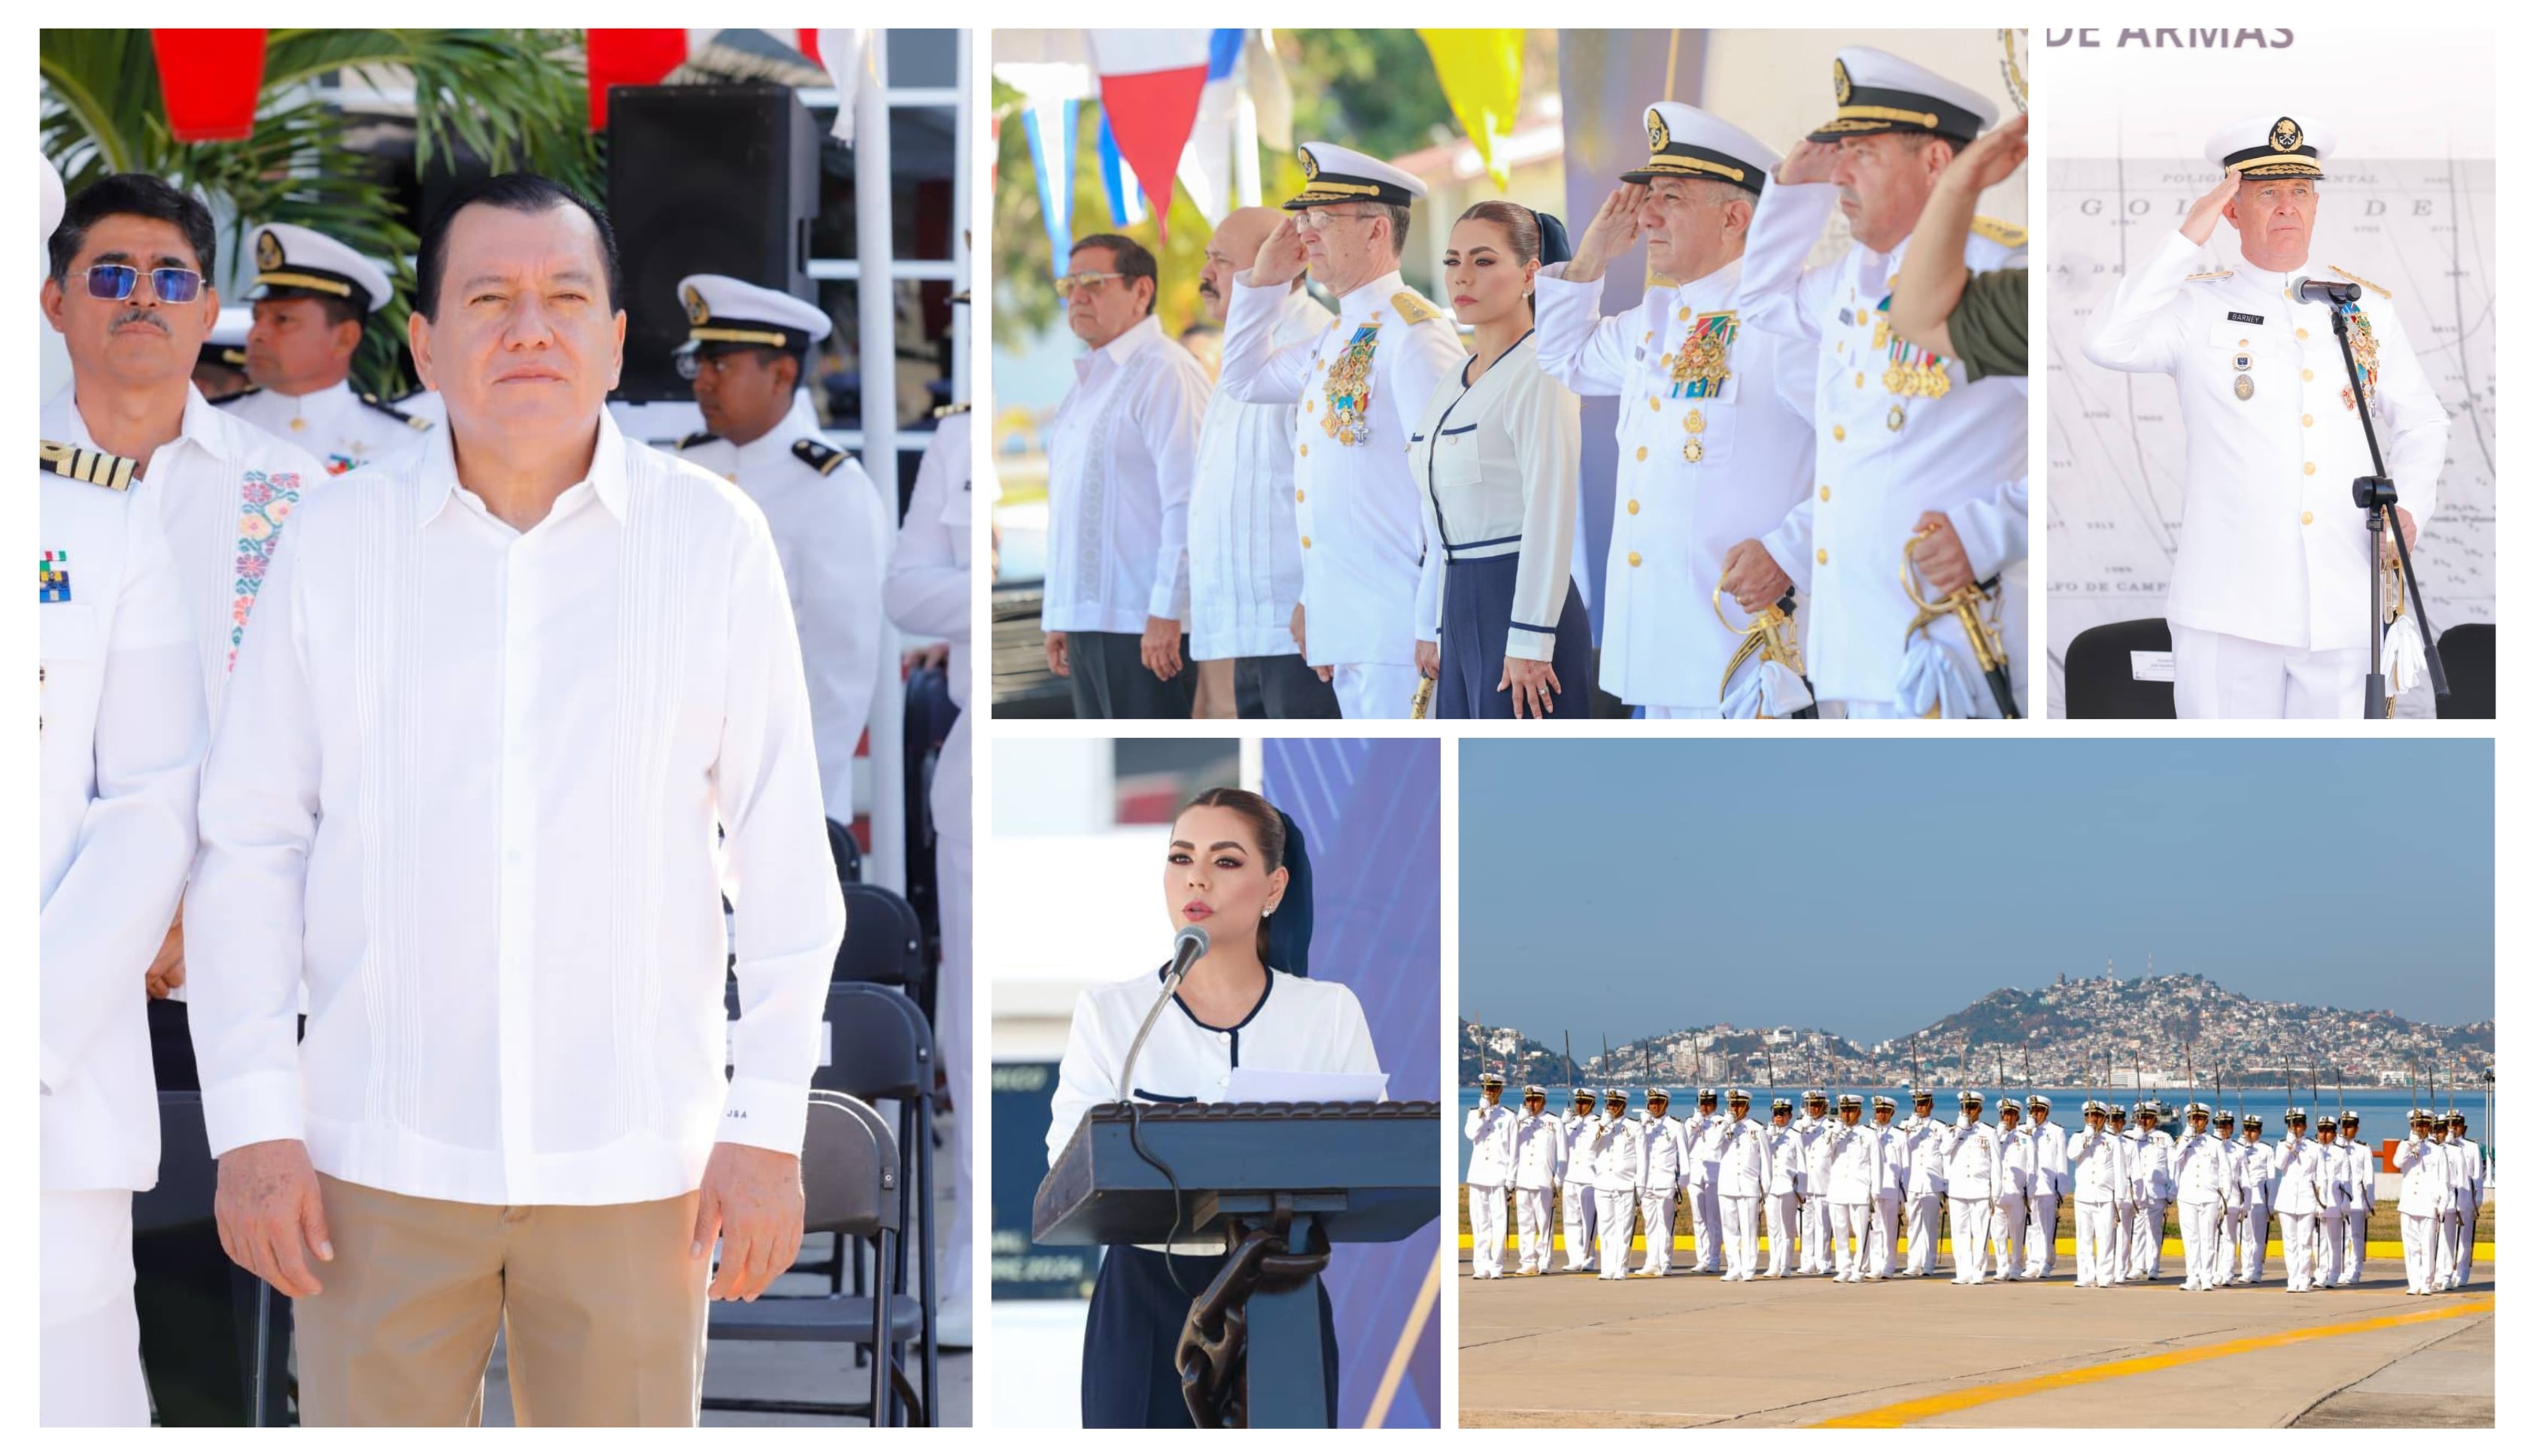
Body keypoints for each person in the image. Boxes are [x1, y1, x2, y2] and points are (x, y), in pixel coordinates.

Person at [186, 174, 845, 1427]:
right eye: (488, 298)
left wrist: (765, 1127)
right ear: (426, 343)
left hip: (637, 1163)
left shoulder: (713, 542)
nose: (528, 328)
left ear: (612, 340)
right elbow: (254, 845)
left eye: (565, 298)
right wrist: (256, 1127)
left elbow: (778, 849)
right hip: (372, 1161)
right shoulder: (331, 541)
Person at [2082, 115, 2450, 717]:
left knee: (2328, 791)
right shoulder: (2195, 305)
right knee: (2225, 786)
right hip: (2227, 607)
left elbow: (2422, 421)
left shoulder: (2363, 311)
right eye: (2267, 193)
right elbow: (2104, 342)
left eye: (2299, 192)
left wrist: (2407, 504)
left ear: (2316, 203)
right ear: (2232, 211)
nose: (2287, 207)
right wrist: (2186, 237)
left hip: (2341, 598)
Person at [40, 159, 211, 1424]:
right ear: (55, 299)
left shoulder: (284, 496)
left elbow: (159, 790)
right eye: (112, 274)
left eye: (170, 279)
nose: (142, 301)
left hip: (74, 1059)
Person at [1046, 786, 1377, 1426]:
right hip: (1144, 1293)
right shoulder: (1113, 1014)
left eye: (1225, 861)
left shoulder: (1328, 1012)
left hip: (1281, 1286)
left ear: (1274, 888)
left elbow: (1370, 1161)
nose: (1195, 877)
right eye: (1179, 857)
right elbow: (1067, 1160)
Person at [1723, 47, 2028, 717]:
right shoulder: (1850, 281)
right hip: (1850, 644)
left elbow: (2074, 444)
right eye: (1840, 153)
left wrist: (1988, 533)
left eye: (1863, 153)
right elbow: (1761, 302)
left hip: (1945, 639)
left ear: (1936, 163)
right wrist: (1792, 188)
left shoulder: (2000, 268)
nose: (1841, 173)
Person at [1532, 102, 1814, 717]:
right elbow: (1562, 358)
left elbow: (1861, 455)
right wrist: (1591, 260)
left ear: (1735, 217)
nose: (1648, 214)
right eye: (1649, 195)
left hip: (1747, 649)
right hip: (1658, 649)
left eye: (1672, 198)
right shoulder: (1659, 319)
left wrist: (1790, 550)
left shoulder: (1786, 318)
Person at [1218, 143, 1465, 717]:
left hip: (1400, 629)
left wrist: (1433, 620)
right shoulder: (1340, 331)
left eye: (1322, 220)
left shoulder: (1414, 333)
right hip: (1349, 623)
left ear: (1377, 230)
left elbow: (1446, 489)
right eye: (1303, 219)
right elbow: (1243, 377)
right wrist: (1262, 282)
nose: (1305, 234)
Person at [673, 273, 891, 822]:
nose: (701, 381)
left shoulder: (831, 487)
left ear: (783, 374)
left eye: (719, 365)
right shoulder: (685, 467)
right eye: (698, 364)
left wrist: (788, 798)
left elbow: (838, 670)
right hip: (680, 785)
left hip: (783, 797)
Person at [1411, 202, 1590, 719]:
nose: (1461, 276)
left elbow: (1550, 511)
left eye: (1484, 261)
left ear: (1530, 274)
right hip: (1458, 600)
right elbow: (1436, 518)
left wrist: (1532, 638)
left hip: (1519, 598)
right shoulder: (1453, 379)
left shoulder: (1540, 369)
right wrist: (1430, 626)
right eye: (1451, 261)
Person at [885, 399, 974, 1345]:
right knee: (972, 1018)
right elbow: (905, 590)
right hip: (978, 756)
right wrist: (979, 595)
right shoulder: (959, 433)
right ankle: (973, 1264)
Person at [1041, 232, 1210, 718]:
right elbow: (1068, 509)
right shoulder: (1086, 383)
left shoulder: (1165, 371)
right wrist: (1061, 612)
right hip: (1089, 623)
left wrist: (1168, 612)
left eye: (1093, 282)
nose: (1077, 296)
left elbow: (1188, 502)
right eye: (1069, 284)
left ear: (1141, 291)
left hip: (1146, 625)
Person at [1186, 207, 1341, 717]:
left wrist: (1319, 597)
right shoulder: (1239, 357)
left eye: (1221, 261)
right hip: (1245, 635)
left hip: (1303, 634)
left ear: (1286, 258)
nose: (1205, 275)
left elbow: (1340, 493)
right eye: (1208, 259)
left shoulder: (1319, 345)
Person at [220, 223, 436, 474]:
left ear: (345, 338)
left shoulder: (404, 443)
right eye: (257, 318)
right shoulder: (212, 427)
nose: (257, 334)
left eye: (283, 320)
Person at [1887, 113, 2030, 380]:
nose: (1839, 175)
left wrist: (1955, 189)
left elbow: (1920, 323)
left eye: (1864, 154)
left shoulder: (2006, 259)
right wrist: (1955, 189)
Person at [1942, 1090, 1998, 1285]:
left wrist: (1995, 1193)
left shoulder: (1989, 1132)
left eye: (1972, 1107)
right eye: (1965, 1107)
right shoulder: (1952, 1131)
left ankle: (1978, 1272)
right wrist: (1960, 1128)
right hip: (1958, 1190)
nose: (1969, 1111)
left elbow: (1996, 1165)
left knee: (1981, 1233)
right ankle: (1963, 1271)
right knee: (1959, 1233)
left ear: (1980, 1109)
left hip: (1981, 1190)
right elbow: (1944, 1150)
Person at [2173, 1103, 2231, 1291]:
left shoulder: (2215, 1143)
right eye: (2191, 1118)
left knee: (2208, 1238)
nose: (2195, 1122)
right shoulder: (2182, 1141)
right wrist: (2187, 1134)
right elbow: (2173, 1157)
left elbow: (2225, 1171)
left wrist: (2225, 1198)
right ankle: (2193, 1276)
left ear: (2206, 1120)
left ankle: (2207, 1277)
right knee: (2190, 1239)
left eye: (2198, 1119)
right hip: (2188, 1196)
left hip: (2209, 1196)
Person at [1466, 1072, 1517, 1279]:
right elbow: (1471, 1134)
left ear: (1500, 1091)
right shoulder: (1474, 1114)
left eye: (1494, 1089)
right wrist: (1482, 1112)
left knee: (1498, 1224)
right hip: (1478, 1175)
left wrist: (1511, 1179)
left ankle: (1496, 1267)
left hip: (1498, 1175)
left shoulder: (1508, 1116)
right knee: (1480, 1224)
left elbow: (1514, 1151)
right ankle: (1481, 1266)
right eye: (1487, 1088)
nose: (1490, 1092)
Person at [2069, 1103, 2125, 1288]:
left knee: (2106, 1238)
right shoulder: (2078, 1137)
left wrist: (2120, 1198)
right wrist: (2087, 1135)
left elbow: (2120, 1171)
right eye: (2089, 1116)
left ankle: (2104, 1276)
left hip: (2105, 1196)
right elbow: (2072, 1155)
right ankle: (2085, 1275)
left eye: (2097, 1116)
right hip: (2083, 1195)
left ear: (2104, 1118)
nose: (2093, 1120)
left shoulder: (2113, 1141)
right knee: (2084, 1238)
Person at [1587, 1090, 1642, 1281]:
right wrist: (1602, 1125)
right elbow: (1588, 1148)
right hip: (1603, 1183)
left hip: (1626, 1184)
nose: (1612, 1108)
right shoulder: (1598, 1125)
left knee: (1623, 1228)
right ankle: (1607, 1267)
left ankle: (1621, 1267)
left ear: (1623, 1106)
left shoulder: (1633, 1127)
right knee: (1605, 1227)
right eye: (1609, 1104)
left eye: (1615, 1104)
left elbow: (1643, 1158)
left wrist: (1640, 1185)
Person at [1820, 1094, 1875, 1283]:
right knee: (1840, 1231)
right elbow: (1824, 1156)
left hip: (1860, 1189)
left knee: (1861, 1232)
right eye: (1844, 1110)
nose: (1846, 1114)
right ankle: (1843, 1267)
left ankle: (1859, 1268)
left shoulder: (1868, 1134)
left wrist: (1875, 1190)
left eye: (1851, 1110)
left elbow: (1876, 1165)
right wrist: (1835, 1133)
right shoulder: (1833, 1133)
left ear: (1859, 1111)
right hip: (1837, 1190)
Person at [1510, 1086, 1565, 1275]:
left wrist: (1559, 1179)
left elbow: (1563, 1155)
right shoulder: (1519, 1122)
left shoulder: (1554, 1122)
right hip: (1523, 1178)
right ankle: (1527, 1260)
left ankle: (1545, 1260)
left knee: (1544, 1223)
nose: (1531, 1104)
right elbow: (1509, 1148)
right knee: (1524, 1223)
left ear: (1543, 1101)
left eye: (1535, 1100)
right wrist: (1518, 1121)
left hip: (1544, 1179)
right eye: (1528, 1100)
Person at [2273, 1109, 2328, 1292]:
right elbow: (2279, 1165)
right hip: (2287, 1200)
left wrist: (2321, 1203)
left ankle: (2304, 1279)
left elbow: (2322, 1177)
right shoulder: (2282, 1145)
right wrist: (2289, 1144)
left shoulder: (2315, 1146)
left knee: (2305, 1242)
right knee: (2290, 1242)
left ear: (2305, 1125)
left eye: (2298, 1124)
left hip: (2307, 1199)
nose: (2295, 1128)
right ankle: (2292, 1279)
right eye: (2291, 1124)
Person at [1714, 1090, 1765, 1281]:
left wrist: (1764, 1190)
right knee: (1729, 1229)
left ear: (1747, 1107)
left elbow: (1765, 1163)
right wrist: (1725, 1124)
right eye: (1732, 1105)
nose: (1735, 1109)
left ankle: (1749, 1269)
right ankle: (1734, 1267)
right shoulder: (1721, 1126)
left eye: (1738, 1105)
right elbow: (1712, 1145)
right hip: (1727, 1185)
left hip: (1748, 1187)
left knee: (1749, 1229)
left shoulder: (1756, 1129)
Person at [1631, 1087, 1683, 1276]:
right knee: (1650, 1223)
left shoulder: (1675, 1126)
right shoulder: (1643, 1126)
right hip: (1647, 1182)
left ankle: (1665, 1262)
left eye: (1658, 1103)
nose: (1654, 1106)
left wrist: (1681, 1181)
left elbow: (1683, 1157)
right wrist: (1641, 1127)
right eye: (1651, 1103)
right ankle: (1651, 1261)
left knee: (1665, 1223)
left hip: (1665, 1181)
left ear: (1666, 1104)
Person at [1897, 1089, 1948, 1276]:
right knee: (1913, 1225)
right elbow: (1901, 1148)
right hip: (1912, 1183)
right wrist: (1911, 1129)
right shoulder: (1906, 1126)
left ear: (1931, 1105)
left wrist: (1946, 1184)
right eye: (1917, 1104)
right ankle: (1913, 1263)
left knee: (1930, 1226)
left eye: (1924, 1104)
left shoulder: (1939, 1127)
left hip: (1932, 1183)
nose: (1920, 1107)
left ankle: (1929, 1263)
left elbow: (1946, 1155)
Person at [2392, 1111, 2443, 1296]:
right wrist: (2409, 1146)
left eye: (2423, 1125)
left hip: (2428, 1204)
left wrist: (2440, 1204)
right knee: (2411, 1246)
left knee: (2427, 1245)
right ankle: (2414, 1283)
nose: (2419, 1129)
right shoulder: (2404, 1146)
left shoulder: (2436, 1150)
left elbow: (2442, 1179)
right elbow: (2397, 1163)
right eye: (2416, 1125)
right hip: (2408, 1203)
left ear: (2429, 1126)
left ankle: (2427, 1283)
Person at [1557, 1087, 1602, 1272]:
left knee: (1589, 1221)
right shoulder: (1569, 1123)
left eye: (1583, 1102)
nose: (1579, 1106)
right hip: (1571, 1176)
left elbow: (1596, 1143)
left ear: (1591, 1103)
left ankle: (1588, 1257)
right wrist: (1561, 1124)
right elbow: (1558, 1146)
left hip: (1589, 1178)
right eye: (1577, 1102)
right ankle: (1574, 1257)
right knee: (1571, 1219)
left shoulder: (1598, 1123)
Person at [1682, 1087, 1727, 1272]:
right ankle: (1702, 1258)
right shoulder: (1692, 1122)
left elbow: (1716, 1144)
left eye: (1708, 1104)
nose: (1705, 1107)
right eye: (1702, 1103)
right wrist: (1694, 1126)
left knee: (1713, 1219)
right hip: (1695, 1173)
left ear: (1715, 1105)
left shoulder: (1721, 1122)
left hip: (1713, 1173)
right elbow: (1684, 1145)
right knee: (1699, 1219)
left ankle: (1714, 1258)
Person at [2023, 1094, 2068, 1279]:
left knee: (2046, 1227)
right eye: (2033, 1110)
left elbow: (2061, 1162)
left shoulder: (2056, 1132)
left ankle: (2046, 1262)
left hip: (2047, 1186)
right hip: (2028, 1188)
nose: (2036, 1114)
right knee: (2031, 1226)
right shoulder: (2024, 1131)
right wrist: (2028, 1132)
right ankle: (2032, 1262)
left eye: (2039, 1110)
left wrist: (2061, 1189)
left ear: (2046, 1112)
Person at [2131, 1103, 2177, 1281]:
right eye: (2141, 1117)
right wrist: (2136, 1136)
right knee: (2138, 1229)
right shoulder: (2131, 1137)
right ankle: (2137, 1265)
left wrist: (2172, 1190)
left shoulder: (2164, 1138)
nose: (2144, 1121)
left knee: (2155, 1231)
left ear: (2155, 1119)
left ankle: (2153, 1266)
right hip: (2137, 1192)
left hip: (2157, 1191)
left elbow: (2173, 1166)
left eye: (2148, 1117)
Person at [1989, 1098, 2033, 1280]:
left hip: (2016, 1192)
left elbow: (2032, 1167)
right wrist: (1997, 1135)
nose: (2008, 1118)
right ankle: (2002, 1267)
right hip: (1998, 1192)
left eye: (2011, 1115)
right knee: (1998, 1234)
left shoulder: (2025, 1137)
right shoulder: (1994, 1136)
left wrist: (2029, 1192)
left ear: (2018, 1116)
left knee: (2017, 1232)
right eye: (2005, 1114)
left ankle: (2016, 1266)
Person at [1866, 1095, 1907, 1279]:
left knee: (1890, 1229)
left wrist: (1904, 1195)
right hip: (1873, 1188)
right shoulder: (1868, 1134)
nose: (1880, 1114)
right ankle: (1876, 1265)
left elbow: (1906, 1168)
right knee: (1875, 1229)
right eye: (1878, 1111)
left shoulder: (1899, 1136)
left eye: (1884, 1111)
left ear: (1892, 1112)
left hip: (1891, 1188)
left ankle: (1889, 1264)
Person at [1763, 1097, 1804, 1278]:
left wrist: (1801, 1192)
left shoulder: (1795, 1136)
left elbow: (1802, 1166)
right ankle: (1774, 1264)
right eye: (1776, 1114)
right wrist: (1768, 1139)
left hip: (1788, 1187)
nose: (1779, 1117)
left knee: (1787, 1228)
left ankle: (1786, 1264)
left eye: (1782, 1114)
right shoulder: (1767, 1135)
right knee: (1773, 1229)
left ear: (1790, 1115)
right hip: (1771, 1187)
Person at [1795, 1089, 1833, 1274]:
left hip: (1823, 1183)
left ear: (1824, 1106)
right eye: (1810, 1105)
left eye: (1817, 1105)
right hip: (1804, 1184)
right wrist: (1802, 1127)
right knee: (1805, 1226)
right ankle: (1807, 1261)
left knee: (1824, 1226)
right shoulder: (1800, 1126)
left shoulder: (1832, 1127)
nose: (1813, 1109)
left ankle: (1823, 1261)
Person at [2313, 1109, 2351, 1288]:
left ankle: (2334, 1274)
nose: (2324, 1134)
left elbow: (2346, 1180)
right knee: (2319, 1241)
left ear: (2334, 1134)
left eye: (2328, 1131)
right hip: (2316, 1202)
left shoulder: (2340, 1152)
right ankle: (2321, 1273)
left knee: (2335, 1241)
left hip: (2335, 1201)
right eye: (2321, 1131)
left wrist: (2346, 1202)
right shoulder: (2313, 1150)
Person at [2447, 1111, 2483, 1288]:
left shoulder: (2471, 1148)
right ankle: (2447, 1272)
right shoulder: (2443, 1146)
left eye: (2457, 1124)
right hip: (2448, 1200)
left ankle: (2462, 1273)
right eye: (2451, 1124)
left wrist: (2477, 1203)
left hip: (2466, 1199)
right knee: (2447, 1239)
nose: (2454, 1128)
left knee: (2464, 1240)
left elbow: (2477, 1177)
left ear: (2464, 1127)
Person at [2335, 1112, 2371, 1287]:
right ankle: (2341, 1269)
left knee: (2356, 1236)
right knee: (2340, 1236)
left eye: (2350, 1126)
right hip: (2337, 1198)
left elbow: (2369, 1179)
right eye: (2343, 1126)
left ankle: (2355, 1270)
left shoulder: (2363, 1149)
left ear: (2356, 1129)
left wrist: (2369, 1203)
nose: (2346, 1130)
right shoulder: (2334, 1148)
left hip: (2356, 1199)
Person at [2237, 1113, 2273, 1285]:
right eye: (2247, 1130)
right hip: (2241, 1198)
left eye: (2254, 1130)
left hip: (2259, 1199)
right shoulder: (2238, 1148)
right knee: (2243, 1237)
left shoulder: (2266, 1150)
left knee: (2258, 1237)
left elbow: (2271, 1180)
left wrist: (2270, 1204)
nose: (2250, 1133)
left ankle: (2257, 1269)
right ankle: (2246, 1270)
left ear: (2260, 1131)